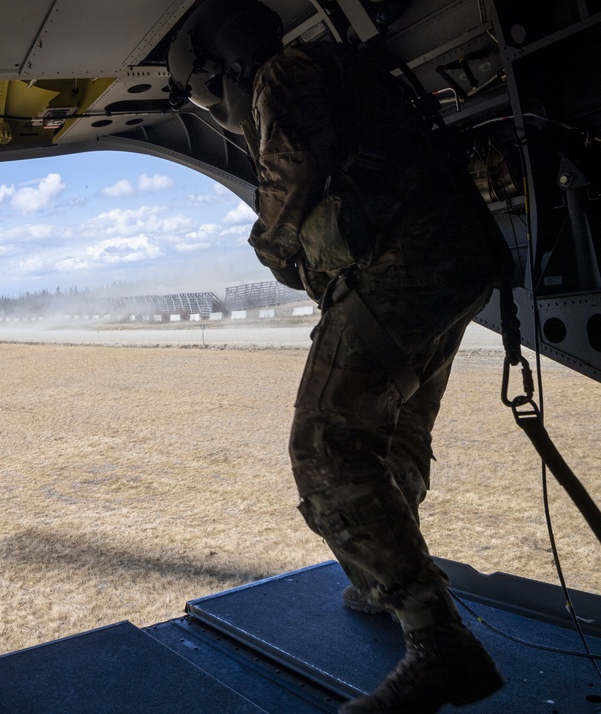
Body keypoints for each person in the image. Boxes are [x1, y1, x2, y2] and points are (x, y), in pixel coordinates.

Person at [167, 1, 506, 712]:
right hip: (456, 259)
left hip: (399, 268)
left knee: (325, 444)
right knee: (396, 429)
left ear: (221, 71)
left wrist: (275, 246)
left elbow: (292, 176)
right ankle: (391, 582)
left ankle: (436, 640)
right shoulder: (339, 70)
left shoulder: (280, 77)